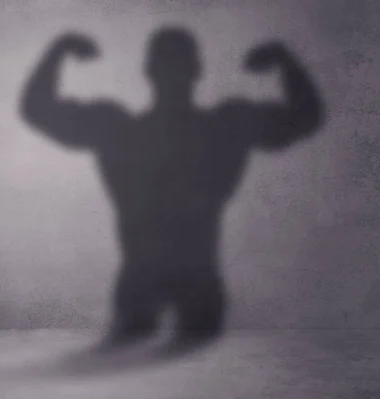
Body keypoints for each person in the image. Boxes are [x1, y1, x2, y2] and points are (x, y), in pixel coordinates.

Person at [20, 28, 323, 351]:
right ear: (198, 71)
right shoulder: (221, 128)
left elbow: (38, 110)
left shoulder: (121, 131)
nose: (172, 73)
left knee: (151, 367)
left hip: (154, 275)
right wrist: (284, 59)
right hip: (187, 276)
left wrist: (58, 50)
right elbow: (305, 117)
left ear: (148, 71)